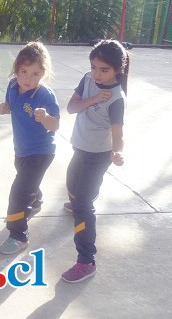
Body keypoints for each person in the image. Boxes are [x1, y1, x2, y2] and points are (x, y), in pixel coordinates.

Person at [61, 40, 128, 283]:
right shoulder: (88, 81)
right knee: (72, 190)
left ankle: (86, 261)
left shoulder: (117, 99)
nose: (96, 73)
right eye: (93, 67)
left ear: (117, 70)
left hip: (98, 156)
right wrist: (93, 99)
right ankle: (81, 198)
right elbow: (71, 107)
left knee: (82, 205)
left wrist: (117, 152)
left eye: (103, 70)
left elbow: (118, 134)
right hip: (79, 148)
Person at [0, 41, 59, 255]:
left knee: (18, 192)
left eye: (35, 74)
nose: (28, 79)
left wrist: (46, 118)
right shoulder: (13, 85)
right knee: (27, 183)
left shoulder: (45, 95)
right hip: (21, 150)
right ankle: (36, 198)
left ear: (43, 73)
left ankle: (18, 235)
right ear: (16, 70)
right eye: (24, 72)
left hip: (41, 152)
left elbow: (56, 124)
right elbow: (10, 105)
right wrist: (4, 108)